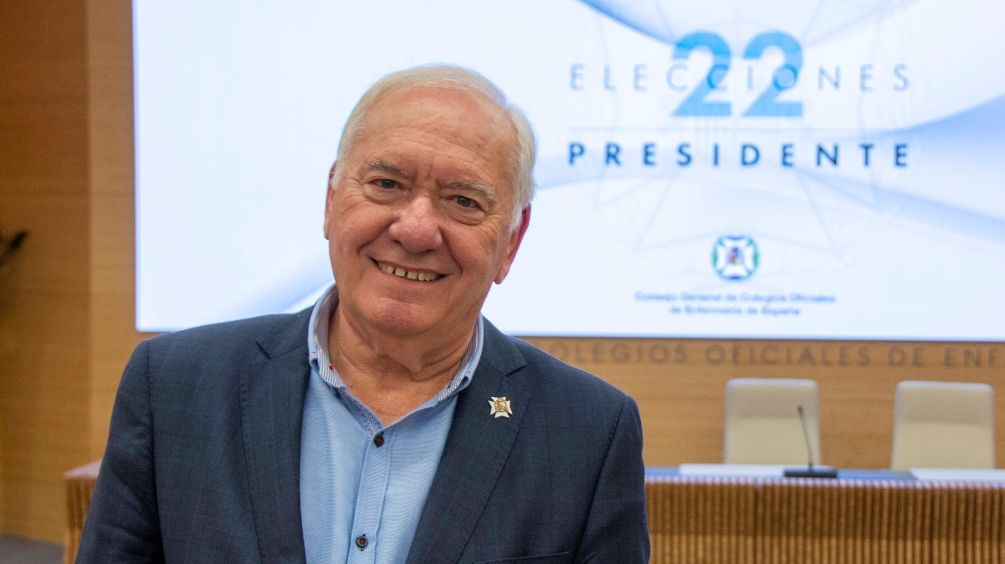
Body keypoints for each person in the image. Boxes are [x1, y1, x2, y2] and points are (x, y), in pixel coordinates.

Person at [78, 65, 650, 563]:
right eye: (386, 184)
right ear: (332, 200)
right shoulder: (174, 386)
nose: (417, 229)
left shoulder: (589, 432)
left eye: (464, 201)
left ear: (511, 242)